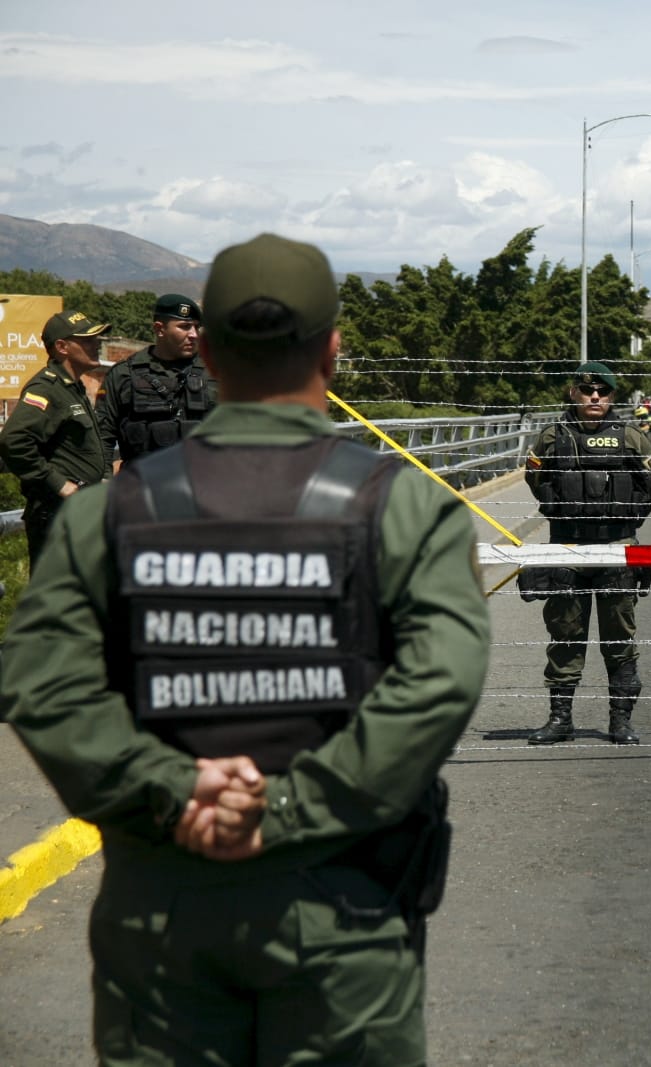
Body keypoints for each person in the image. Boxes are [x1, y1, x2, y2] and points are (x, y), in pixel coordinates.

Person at [1, 233, 492, 1065]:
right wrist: (294, 807)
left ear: (212, 352)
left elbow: (42, 684)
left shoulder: (107, 517)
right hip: (343, 908)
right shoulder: (403, 509)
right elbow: (441, 678)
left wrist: (169, 787)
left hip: (162, 907)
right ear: (333, 350)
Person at [521, 361, 651, 745]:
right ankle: (560, 719)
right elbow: (536, 478)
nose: (594, 397)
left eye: (602, 391)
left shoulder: (631, 436)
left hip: (616, 550)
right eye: (587, 391)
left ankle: (620, 721)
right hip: (567, 549)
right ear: (573, 393)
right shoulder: (553, 436)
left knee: (619, 639)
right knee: (565, 636)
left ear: (612, 396)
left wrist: (625, 522)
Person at [0, 309, 113, 564]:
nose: (97, 344)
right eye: (87, 340)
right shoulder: (47, 388)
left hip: (81, 513)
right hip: (56, 516)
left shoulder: (73, 387)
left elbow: (90, 442)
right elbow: (13, 441)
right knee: (57, 597)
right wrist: (60, 485)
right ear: (62, 346)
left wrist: (103, 477)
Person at [94, 292, 219, 466]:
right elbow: (102, 438)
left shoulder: (216, 372)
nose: (194, 335)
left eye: (196, 327)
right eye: (184, 326)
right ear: (159, 329)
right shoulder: (124, 375)